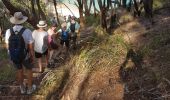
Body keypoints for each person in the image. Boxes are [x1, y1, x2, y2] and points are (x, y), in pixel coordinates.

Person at [5, 12, 35, 94]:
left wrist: (12, 55)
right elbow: (31, 47)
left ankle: (22, 88)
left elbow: (8, 46)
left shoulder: (8, 31)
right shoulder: (27, 31)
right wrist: (32, 56)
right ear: (23, 21)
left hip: (14, 55)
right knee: (29, 69)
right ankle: (29, 88)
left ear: (14, 20)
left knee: (19, 70)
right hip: (25, 55)